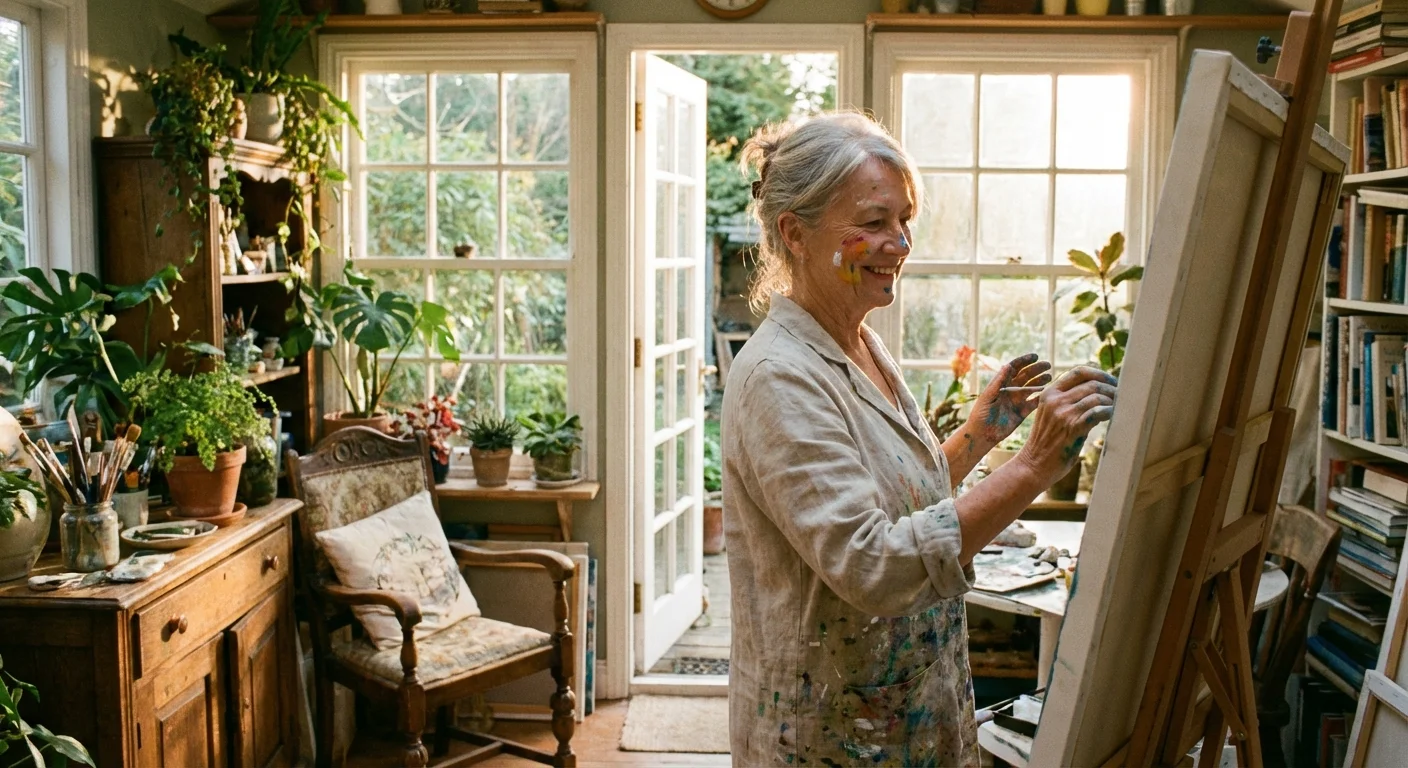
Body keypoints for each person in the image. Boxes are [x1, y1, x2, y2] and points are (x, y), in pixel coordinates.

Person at [722, 111, 1118, 766]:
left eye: (904, 220)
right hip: (827, 737)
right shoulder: (777, 377)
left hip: (899, 711)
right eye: (875, 222)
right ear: (795, 233)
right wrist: (1031, 466)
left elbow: (893, 496)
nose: (901, 242)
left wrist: (977, 437)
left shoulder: (858, 343)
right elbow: (872, 563)